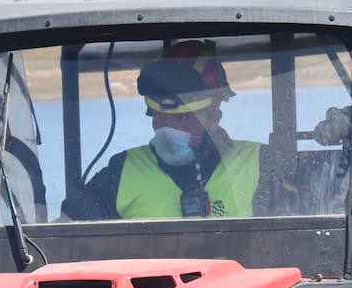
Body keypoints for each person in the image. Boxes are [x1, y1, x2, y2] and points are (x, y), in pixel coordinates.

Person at [62, 41, 263, 220]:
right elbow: (65, 234)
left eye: (182, 117)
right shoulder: (122, 170)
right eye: (158, 116)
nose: (167, 127)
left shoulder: (261, 165)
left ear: (213, 113)